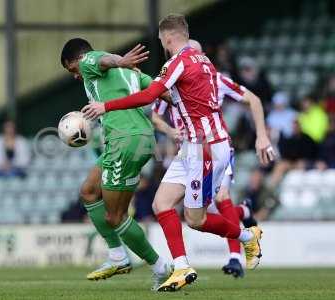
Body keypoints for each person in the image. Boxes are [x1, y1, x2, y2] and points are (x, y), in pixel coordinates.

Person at [82, 14, 274, 291]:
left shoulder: (177, 62)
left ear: (168, 37)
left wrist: (106, 106)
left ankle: (247, 236)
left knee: (196, 219)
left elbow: (151, 96)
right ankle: (182, 267)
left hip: (206, 149)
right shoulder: (204, 61)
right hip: (194, 147)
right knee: (161, 204)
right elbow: (176, 98)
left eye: (161, 39)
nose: (161, 43)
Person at [60, 39, 172, 290]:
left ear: (74, 61)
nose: (76, 76)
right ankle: (118, 255)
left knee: (115, 216)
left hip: (125, 140)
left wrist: (119, 59)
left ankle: (159, 267)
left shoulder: (90, 61)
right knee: (89, 191)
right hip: (135, 140)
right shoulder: (130, 73)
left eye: (72, 71)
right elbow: (160, 91)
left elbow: (100, 60)